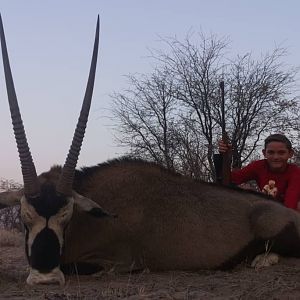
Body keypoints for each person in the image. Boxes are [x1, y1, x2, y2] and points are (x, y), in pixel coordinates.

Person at [218, 133, 300, 211]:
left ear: (290, 153)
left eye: (281, 153)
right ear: (264, 153)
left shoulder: (296, 172)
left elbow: (290, 204)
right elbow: (231, 179)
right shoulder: (258, 166)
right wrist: (225, 158)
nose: (276, 157)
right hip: (272, 211)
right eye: (271, 152)